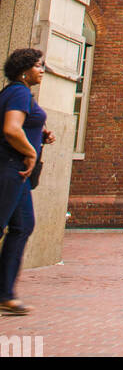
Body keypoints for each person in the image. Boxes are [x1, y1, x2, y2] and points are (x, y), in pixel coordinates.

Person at [0, 48, 55, 315]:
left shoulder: (19, 94)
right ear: (24, 69)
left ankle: (5, 294)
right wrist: (31, 151)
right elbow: (11, 129)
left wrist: (40, 134)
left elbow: (22, 125)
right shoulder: (19, 92)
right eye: (37, 65)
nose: (41, 70)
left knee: (23, 226)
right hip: (10, 169)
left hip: (17, 173)